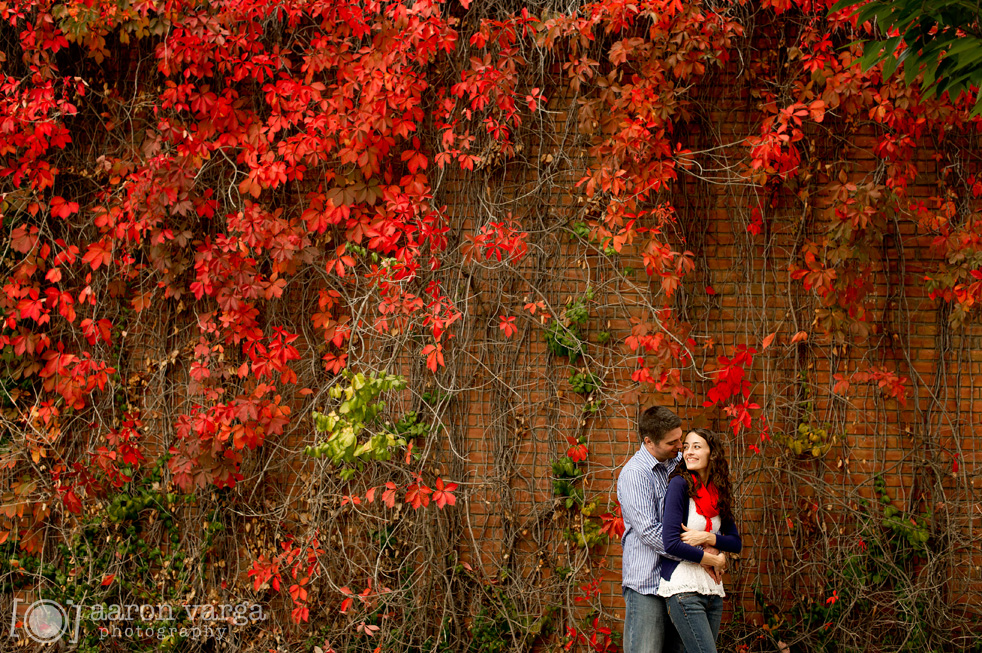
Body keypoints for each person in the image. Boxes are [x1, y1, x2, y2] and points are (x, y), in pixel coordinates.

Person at [658, 428, 741, 653]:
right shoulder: (679, 485)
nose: (689, 452)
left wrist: (705, 537)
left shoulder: (718, 490)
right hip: (683, 588)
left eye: (696, 446)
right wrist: (715, 560)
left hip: (713, 591)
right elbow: (671, 543)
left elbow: (735, 542)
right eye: (686, 447)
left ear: (711, 453)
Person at [616, 405, 685, 653]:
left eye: (680, 438)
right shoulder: (635, 475)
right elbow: (650, 532)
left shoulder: (677, 462)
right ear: (649, 441)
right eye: (672, 442)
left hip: (678, 582)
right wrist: (696, 555)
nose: (680, 446)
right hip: (647, 584)